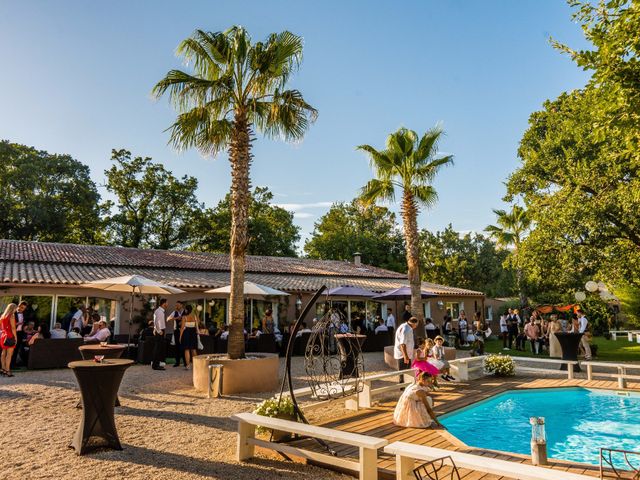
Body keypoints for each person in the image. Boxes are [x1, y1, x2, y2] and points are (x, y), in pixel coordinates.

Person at [394, 316, 419, 382]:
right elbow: (402, 344)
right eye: (416, 325)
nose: (416, 327)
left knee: (406, 373)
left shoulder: (404, 326)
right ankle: (403, 387)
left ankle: (405, 386)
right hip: (403, 355)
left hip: (405, 354)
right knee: (404, 372)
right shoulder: (406, 329)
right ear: (414, 323)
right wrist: (406, 357)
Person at [1, 303, 18, 377]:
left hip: (3, 336)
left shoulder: (3, 316)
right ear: (13, 308)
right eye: (15, 308)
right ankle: (8, 371)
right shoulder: (12, 316)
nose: (16, 310)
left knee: (3, 353)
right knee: (9, 355)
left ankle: (3, 369)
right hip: (10, 336)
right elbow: (13, 328)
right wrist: (16, 337)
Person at [180, 304, 198, 369]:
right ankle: (196, 365)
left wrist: (180, 337)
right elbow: (197, 326)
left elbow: (182, 328)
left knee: (186, 349)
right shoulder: (194, 316)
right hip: (193, 333)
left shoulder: (184, 317)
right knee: (193, 349)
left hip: (186, 332)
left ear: (186, 310)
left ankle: (188, 365)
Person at [168, 301, 185, 368]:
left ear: (181, 305)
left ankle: (185, 362)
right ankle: (177, 362)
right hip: (176, 331)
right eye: (176, 305)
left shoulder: (185, 312)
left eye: (178, 305)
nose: (176, 306)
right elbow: (168, 319)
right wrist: (176, 318)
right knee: (177, 346)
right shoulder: (174, 312)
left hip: (184, 331)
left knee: (184, 346)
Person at [152, 299, 167, 371]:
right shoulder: (159, 311)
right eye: (167, 303)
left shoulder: (160, 311)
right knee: (157, 349)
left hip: (160, 330)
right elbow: (155, 322)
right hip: (160, 331)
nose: (168, 304)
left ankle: (156, 364)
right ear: (164, 303)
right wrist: (158, 330)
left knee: (159, 348)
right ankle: (155, 365)